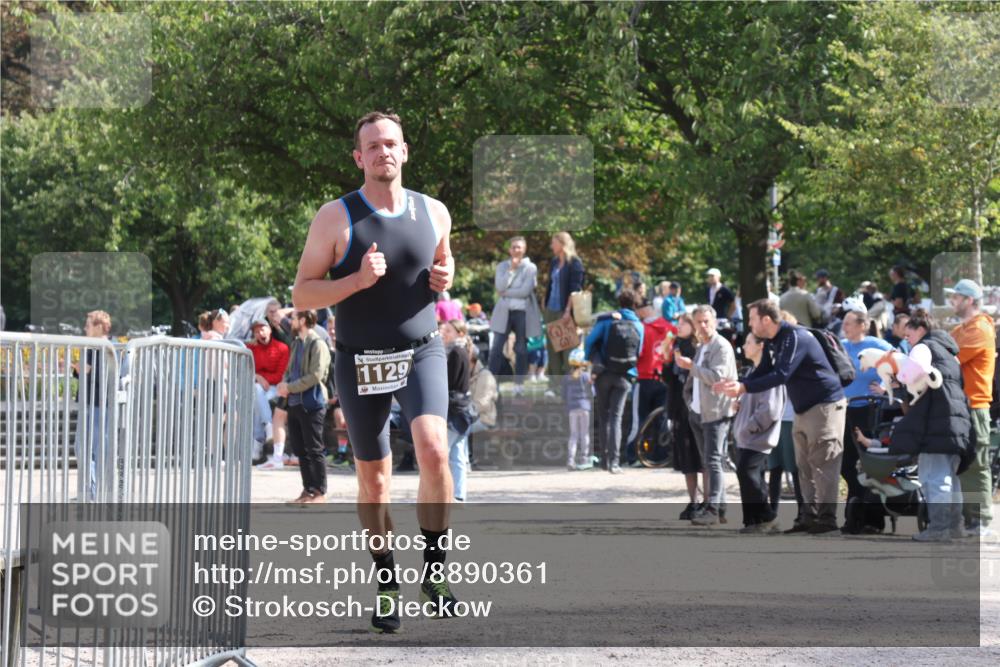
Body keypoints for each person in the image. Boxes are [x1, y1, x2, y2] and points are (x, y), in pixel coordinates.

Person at [290, 111, 459, 632]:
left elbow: (443, 267)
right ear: (358, 158)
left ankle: (435, 572)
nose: (383, 151)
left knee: (434, 449)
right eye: (372, 145)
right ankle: (387, 581)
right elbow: (303, 293)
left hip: (421, 350)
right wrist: (355, 282)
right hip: (360, 359)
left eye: (391, 143)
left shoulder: (435, 212)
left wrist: (447, 275)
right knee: (375, 480)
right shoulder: (335, 217)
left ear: (404, 151)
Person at [717, 299, 847, 535]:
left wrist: (744, 389)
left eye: (752, 319)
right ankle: (808, 518)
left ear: (766, 319)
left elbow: (781, 374)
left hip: (825, 405)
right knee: (804, 466)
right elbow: (764, 371)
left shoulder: (795, 337)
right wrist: (740, 383)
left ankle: (828, 522)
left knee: (824, 463)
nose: (749, 324)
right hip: (802, 407)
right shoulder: (773, 341)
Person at [854, 310, 972, 541]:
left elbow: (912, 372)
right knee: (949, 476)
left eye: (909, 334)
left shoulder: (923, 347)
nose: (907, 340)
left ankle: (939, 529)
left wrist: (899, 380)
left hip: (934, 423)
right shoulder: (950, 353)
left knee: (933, 477)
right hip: (957, 421)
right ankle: (955, 527)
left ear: (921, 330)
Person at [675, 305, 737, 525]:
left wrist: (691, 366)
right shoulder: (702, 347)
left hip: (717, 412)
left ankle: (713, 508)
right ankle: (718, 508)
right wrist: (690, 401)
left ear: (715, 321)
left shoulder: (721, 346)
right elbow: (695, 379)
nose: (702, 325)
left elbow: (717, 377)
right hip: (699, 412)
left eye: (706, 321)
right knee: (710, 461)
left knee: (713, 461)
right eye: (698, 322)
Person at [947, 279, 996, 537]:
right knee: (963, 465)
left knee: (976, 465)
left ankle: (982, 520)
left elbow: (948, 357)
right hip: (961, 406)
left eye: (956, 297)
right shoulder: (961, 328)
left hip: (974, 406)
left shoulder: (979, 329)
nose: (952, 301)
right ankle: (969, 520)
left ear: (969, 300)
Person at [839, 309, 894, 532]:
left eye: (849, 323)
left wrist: (884, 387)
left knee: (869, 463)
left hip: (868, 409)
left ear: (862, 325)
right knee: (846, 464)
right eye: (843, 323)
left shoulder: (877, 346)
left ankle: (873, 519)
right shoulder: (841, 345)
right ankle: (854, 514)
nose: (844, 327)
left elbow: (901, 366)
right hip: (845, 409)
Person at [585, 287, 644, 474]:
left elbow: (589, 342)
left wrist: (592, 360)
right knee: (616, 418)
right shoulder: (639, 325)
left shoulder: (607, 320)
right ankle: (615, 462)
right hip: (626, 374)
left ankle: (604, 460)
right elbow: (639, 351)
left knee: (604, 416)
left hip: (604, 374)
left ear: (619, 302)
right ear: (635, 304)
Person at [733, 332, 786, 533]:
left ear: (761, 346)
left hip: (757, 437)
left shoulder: (770, 374)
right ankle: (755, 520)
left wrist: (749, 426)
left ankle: (767, 517)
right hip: (748, 436)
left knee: (748, 473)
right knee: (749, 475)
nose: (744, 346)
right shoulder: (754, 371)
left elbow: (770, 409)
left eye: (747, 342)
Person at [276, 310, 330, 505]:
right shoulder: (297, 342)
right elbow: (290, 371)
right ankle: (307, 490)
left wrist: (289, 387)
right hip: (294, 403)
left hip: (312, 404)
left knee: (315, 449)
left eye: (294, 317)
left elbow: (316, 375)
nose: (290, 321)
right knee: (300, 449)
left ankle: (320, 492)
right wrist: (284, 384)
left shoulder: (318, 343)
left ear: (304, 320)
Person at [489, 236, 542, 396]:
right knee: (496, 347)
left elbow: (525, 291)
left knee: (521, 348)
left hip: (522, 312)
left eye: (519, 247)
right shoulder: (502, 266)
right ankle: (491, 382)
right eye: (513, 247)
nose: (516, 250)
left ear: (524, 249)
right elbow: (499, 286)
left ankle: (519, 385)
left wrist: (506, 293)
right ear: (509, 249)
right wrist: (511, 271)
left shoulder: (530, 267)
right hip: (504, 312)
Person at [625, 300, 675, 467]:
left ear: (641, 311)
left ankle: (634, 456)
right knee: (661, 419)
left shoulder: (640, 329)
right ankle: (659, 455)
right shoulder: (670, 329)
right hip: (663, 378)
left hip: (644, 377)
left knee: (638, 419)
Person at [667, 312, 706, 519]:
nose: (679, 326)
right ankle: (693, 501)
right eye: (678, 323)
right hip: (680, 409)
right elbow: (670, 380)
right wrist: (667, 360)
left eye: (683, 323)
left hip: (697, 407)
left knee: (703, 457)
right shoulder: (676, 345)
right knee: (686, 459)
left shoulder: (698, 349)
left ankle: (709, 502)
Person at [72, 310, 113, 500]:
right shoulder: (103, 347)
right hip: (97, 404)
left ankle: (94, 493)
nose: (84, 328)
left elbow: (93, 373)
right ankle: (95, 492)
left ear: (98, 327)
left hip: (95, 405)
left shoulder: (99, 347)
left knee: (87, 448)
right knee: (92, 449)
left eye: (88, 325)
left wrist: (79, 368)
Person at [543, 231, 585, 396]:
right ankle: (554, 386)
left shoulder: (575, 263)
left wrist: (568, 310)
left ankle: (570, 386)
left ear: (562, 244)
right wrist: (544, 302)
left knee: (567, 347)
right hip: (551, 309)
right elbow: (551, 284)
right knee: (552, 348)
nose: (552, 246)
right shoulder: (554, 262)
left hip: (565, 310)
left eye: (554, 242)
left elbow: (576, 289)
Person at [248, 318, 291, 468]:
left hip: (275, 387)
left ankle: (258, 442)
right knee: (257, 392)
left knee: (256, 397)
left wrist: (263, 379)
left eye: (262, 329)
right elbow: (245, 369)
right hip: (258, 387)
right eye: (256, 331)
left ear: (270, 330)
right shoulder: (250, 348)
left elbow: (281, 374)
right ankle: (268, 425)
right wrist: (257, 377)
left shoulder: (282, 348)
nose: (260, 333)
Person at [440, 319, 475, 502]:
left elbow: (449, 382)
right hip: (461, 408)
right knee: (458, 454)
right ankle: (459, 494)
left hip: (454, 409)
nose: (444, 333)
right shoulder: (460, 351)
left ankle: (445, 493)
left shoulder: (454, 352)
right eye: (444, 329)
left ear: (459, 334)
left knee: (442, 453)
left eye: (449, 330)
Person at [563, 348, 594, 470]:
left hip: (572, 408)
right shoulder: (586, 377)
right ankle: (584, 457)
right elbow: (592, 392)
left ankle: (571, 459)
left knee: (573, 434)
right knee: (584, 433)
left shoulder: (566, 377)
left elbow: (563, 394)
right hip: (585, 408)